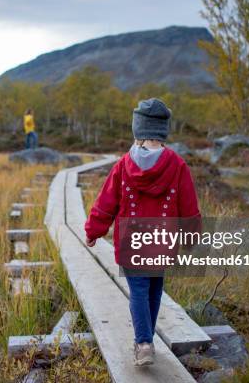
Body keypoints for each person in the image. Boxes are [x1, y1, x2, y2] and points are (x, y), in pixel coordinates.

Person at [84, 98, 201, 366]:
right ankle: (146, 340)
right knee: (154, 289)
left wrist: (93, 230)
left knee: (138, 291)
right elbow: (188, 204)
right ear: (163, 131)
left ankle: (144, 343)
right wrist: (191, 238)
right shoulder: (177, 164)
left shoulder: (124, 165)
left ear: (137, 129)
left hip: (132, 240)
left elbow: (106, 202)